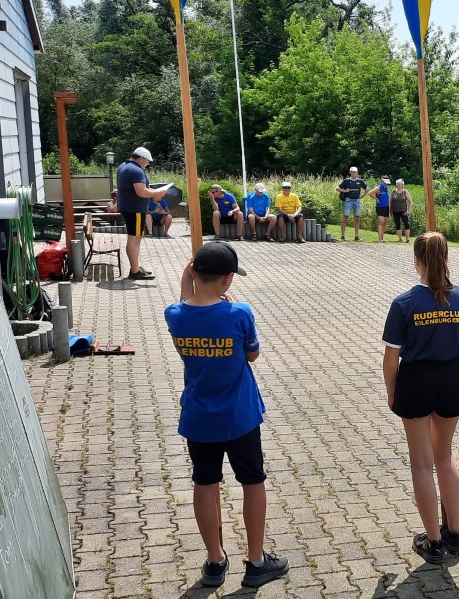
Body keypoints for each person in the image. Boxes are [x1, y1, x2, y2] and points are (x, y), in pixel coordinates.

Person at [164, 242, 289, 589]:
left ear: (193, 273)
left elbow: (185, 303)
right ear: (228, 278)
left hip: (199, 418)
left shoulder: (175, 315)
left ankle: (215, 560)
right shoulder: (239, 313)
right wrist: (226, 305)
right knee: (252, 481)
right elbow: (252, 355)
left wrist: (188, 278)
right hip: (239, 416)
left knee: (205, 483)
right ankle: (256, 561)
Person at [382, 232, 459, 563]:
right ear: (446, 258)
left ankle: (434, 541)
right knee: (444, 458)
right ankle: (456, 534)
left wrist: (391, 391)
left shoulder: (404, 303)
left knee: (422, 463)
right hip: (451, 378)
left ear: (417, 261)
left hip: (415, 381)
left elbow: (390, 359)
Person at [116, 147, 168, 280]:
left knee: (137, 236)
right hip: (135, 209)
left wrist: (153, 191)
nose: (148, 164)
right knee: (134, 238)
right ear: (140, 158)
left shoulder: (123, 166)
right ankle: (135, 271)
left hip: (128, 207)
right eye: (147, 161)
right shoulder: (137, 170)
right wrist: (157, 192)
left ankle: (136, 267)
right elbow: (141, 192)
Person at [337, 167, 366, 242]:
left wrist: (362, 196)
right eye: (353, 172)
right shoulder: (346, 181)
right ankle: (343, 235)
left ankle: (356, 236)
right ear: (350, 172)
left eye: (356, 172)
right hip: (348, 200)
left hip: (357, 201)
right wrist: (344, 191)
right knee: (345, 217)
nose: (355, 173)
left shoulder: (360, 181)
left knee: (357, 218)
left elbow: (367, 189)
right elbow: (337, 188)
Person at [368, 176, 392, 242]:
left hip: (386, 207)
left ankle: (382, 238)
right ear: (382, 181)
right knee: (381, 222)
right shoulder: (379, 187)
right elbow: (370, 193)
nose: (386, 184)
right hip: (380, 207)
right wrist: (376, 198)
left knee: (384, 223)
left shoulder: (387, 187)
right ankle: (380, 238)